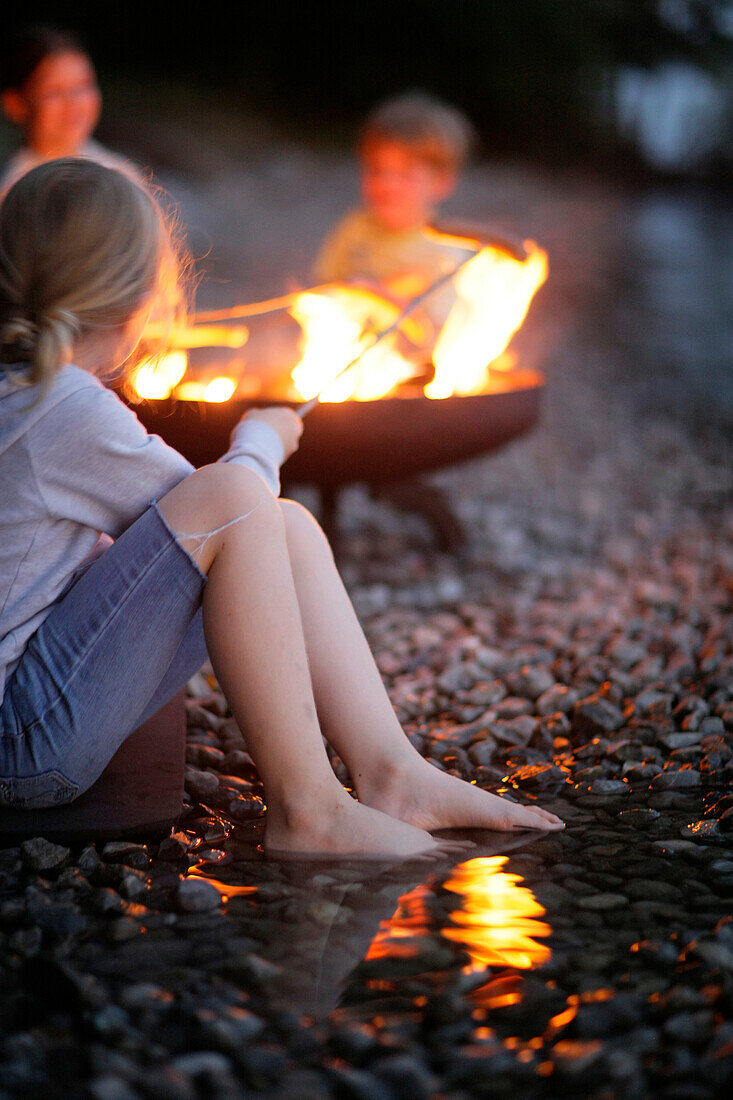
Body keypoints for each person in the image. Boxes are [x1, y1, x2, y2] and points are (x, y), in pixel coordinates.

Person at [0, 160, 563, 857]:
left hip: (26, 713)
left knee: (285, 520)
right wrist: (261, 441)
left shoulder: (26, 389)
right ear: (142, 295)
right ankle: (310, 810)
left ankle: (393, 775)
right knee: (245, 497)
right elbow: (224, 507)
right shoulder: (61, 407)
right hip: (22, 746)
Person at [314, 90, 477, 331]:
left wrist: (382, 296)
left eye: (405, 174)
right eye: (376, 170)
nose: (387, 184)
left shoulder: (447, 253)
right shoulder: (353, 229)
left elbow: (441, 336)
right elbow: (321, 293)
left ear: (441, 182)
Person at [0, 24, 137, 197]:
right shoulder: (17, 193)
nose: (74, 103)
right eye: (53, 92)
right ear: (15, 104)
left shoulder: (115, 167)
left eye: (83, 86)